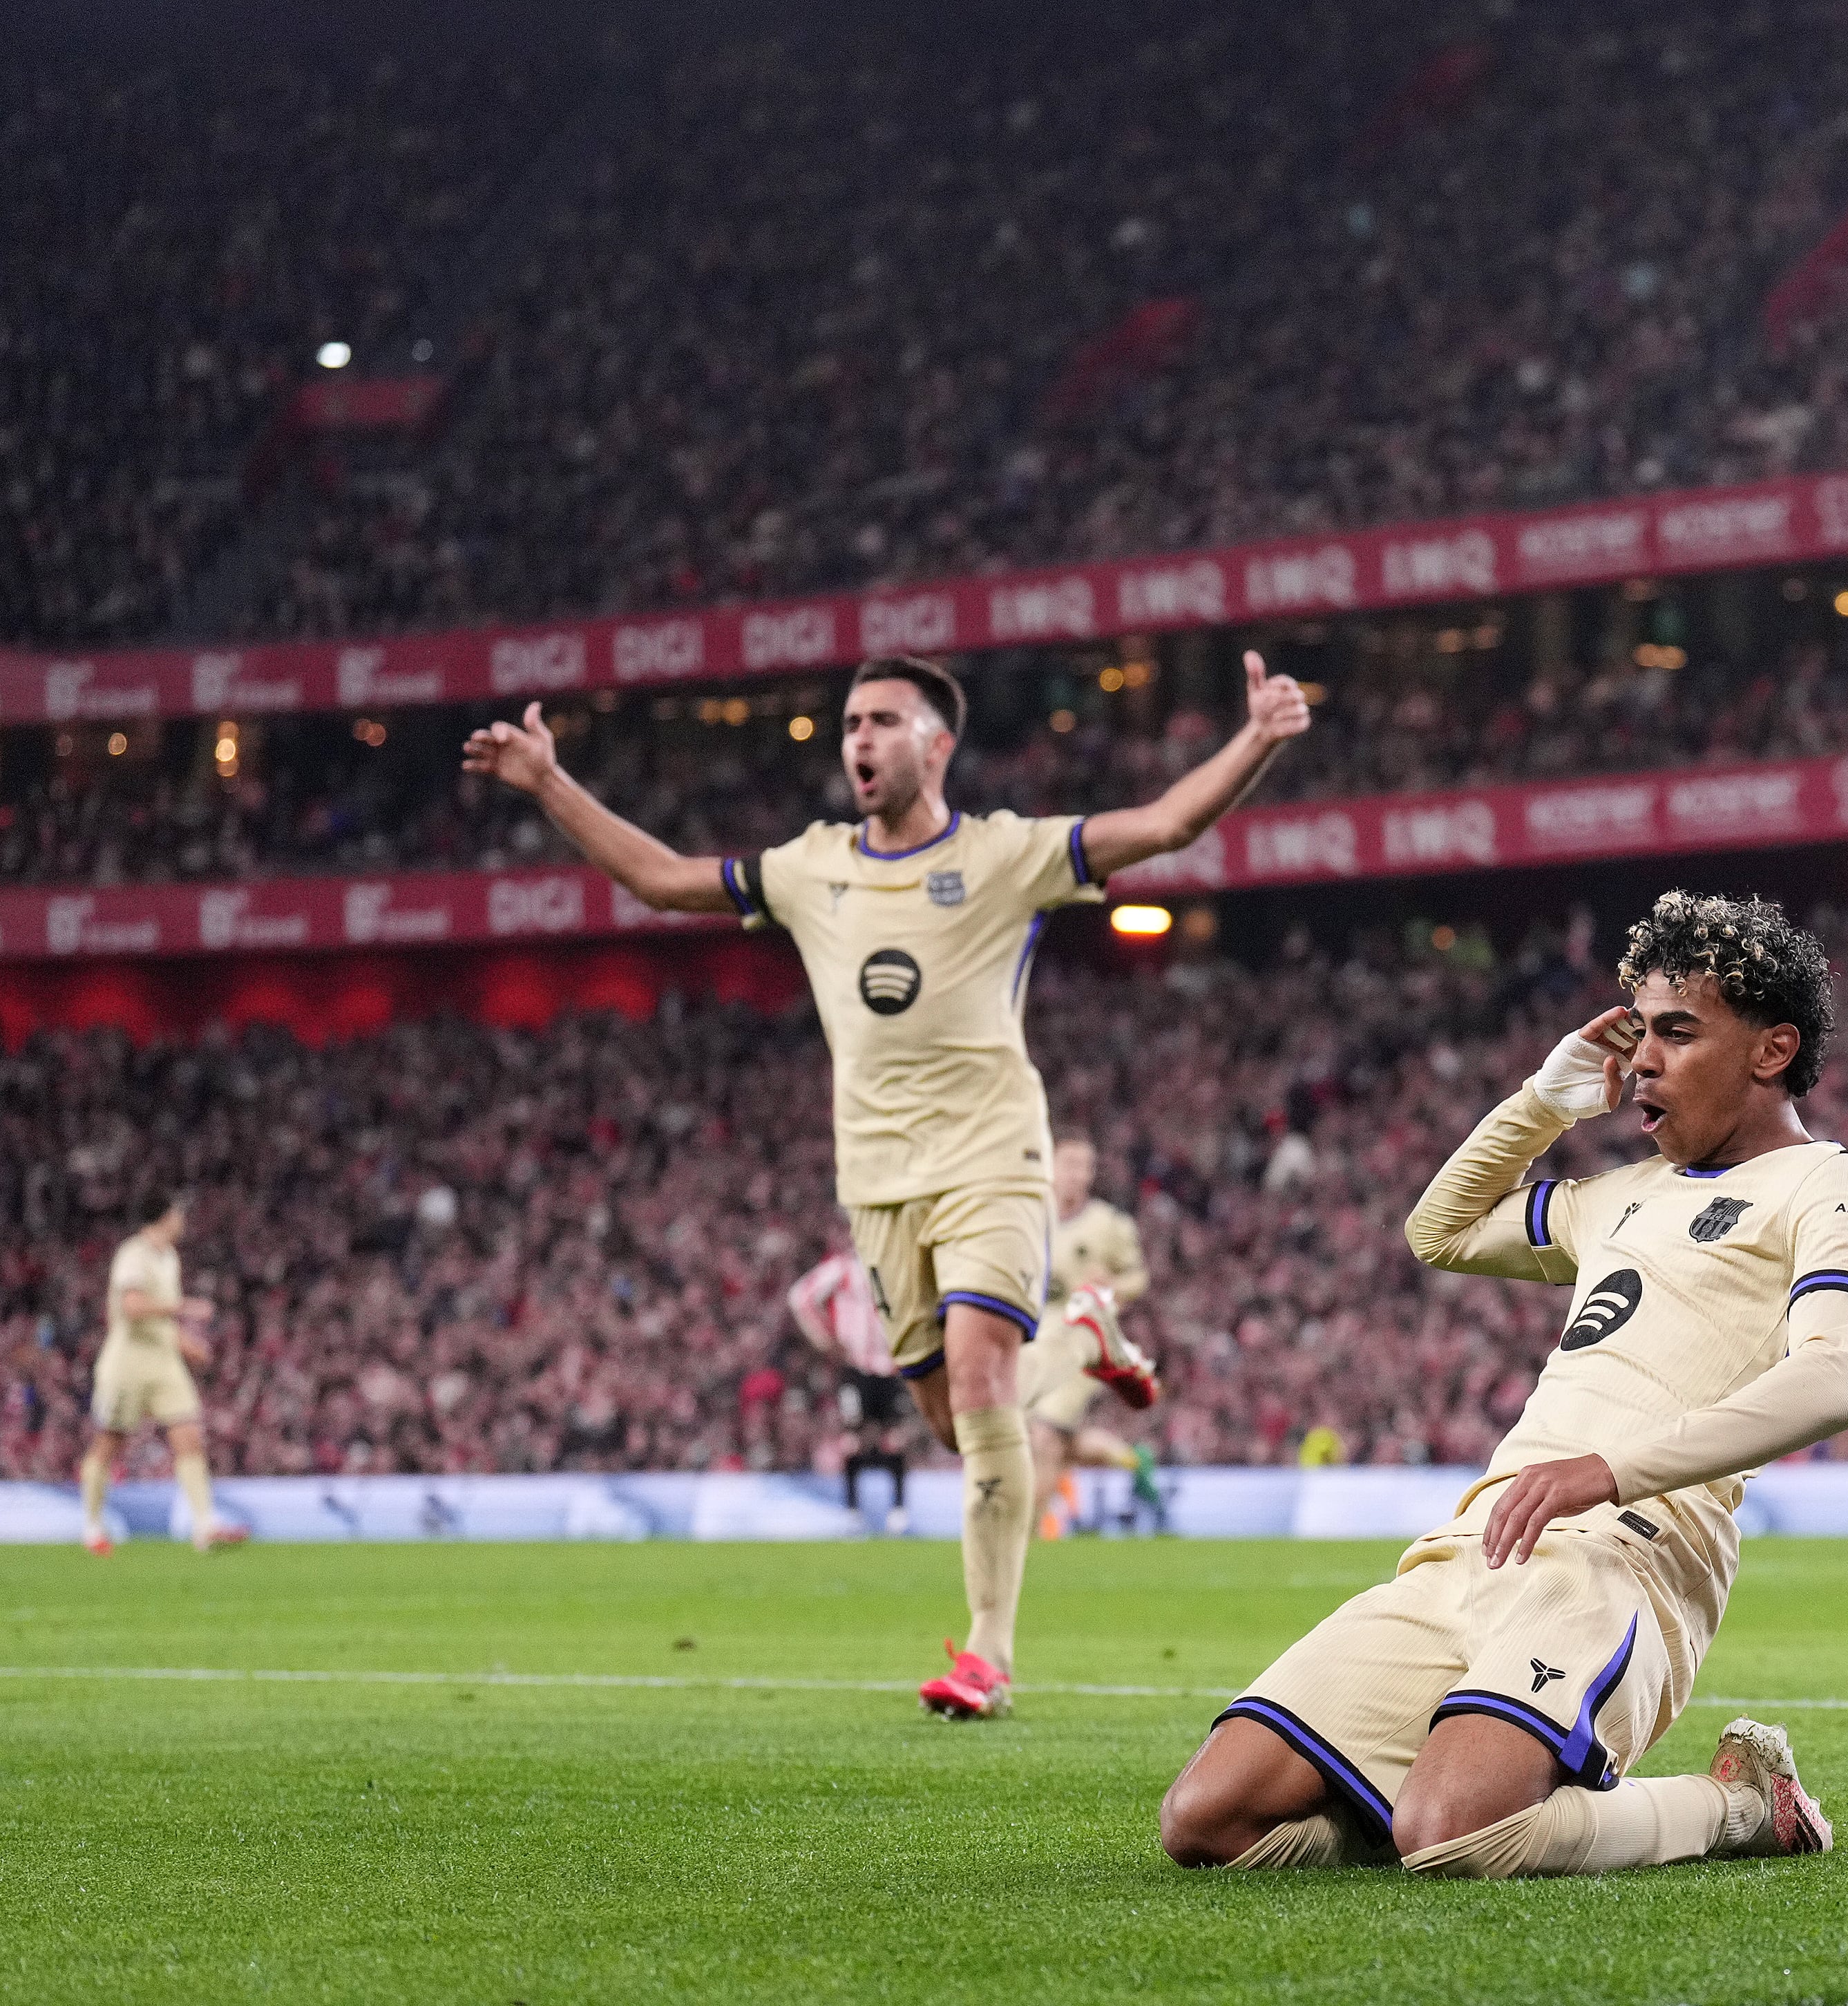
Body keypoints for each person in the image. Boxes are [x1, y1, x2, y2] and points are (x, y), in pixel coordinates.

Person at [464, 646, 1309, 1718]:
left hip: (995, 1158)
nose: (857, 740)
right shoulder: (811, 868)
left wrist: (1255, 738)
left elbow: (1165, 824)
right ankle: (1078, 1337)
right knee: (956, 1426)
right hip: (875, 1180)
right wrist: (547, 780)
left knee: (979, 1382)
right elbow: (661, 880)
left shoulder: (1009, 855)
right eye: (850, 723)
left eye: (880, 722)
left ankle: (988, 1655)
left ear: (936, 743)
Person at [1158, 891, 1848, 1878]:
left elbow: (1835, 1380)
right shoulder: (1617, 1197)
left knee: (1453, 1838)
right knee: (1206, 1822)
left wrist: (1612, 1471)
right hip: (1472, 1549)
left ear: (1771, 1051)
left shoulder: (1835, 1185)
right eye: (1640, 1036)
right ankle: (1430, 1802)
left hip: (1624, 1562)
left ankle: (1736, 1805)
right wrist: (1541, 1103)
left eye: (1678, 1034)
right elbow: (1441, 1231)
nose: (1642, 1061)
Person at [79, 1193, 245, 1554]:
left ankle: (205, 1526)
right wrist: (185, 1308)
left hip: (163, 1360)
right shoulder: (133, 1254)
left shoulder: (169, 1258)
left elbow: (158, 1321)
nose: (183, 1219)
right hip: (127, 1363)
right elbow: (132, 1307)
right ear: (165, 1216)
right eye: (178, 1212)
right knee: (110, 1443)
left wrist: (184, 1342)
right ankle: (92, 1527)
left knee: (188, 1434)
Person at [1019, 1133, 1164, 1535]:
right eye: (1068, 1165)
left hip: (1084, 1337)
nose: (1076, 1175)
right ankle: (1132, 1459)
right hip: (1032, 1338)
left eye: (1084, 1167)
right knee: (1051, 1441)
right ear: (1050, 1166)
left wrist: (1113, 1287)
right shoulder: (1030, 1219)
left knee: (1045, 1435)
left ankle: (1027, 1538)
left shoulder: (1108, 1224)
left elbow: (1139, 1278)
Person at [788, 1242, 911, 1533]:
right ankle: (853, 1510)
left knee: (894, 1439)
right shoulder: (843, 1268)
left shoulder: (898, 1269)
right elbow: (801, 1297)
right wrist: (824, 1336)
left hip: (892, 1367)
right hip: (856, 1367)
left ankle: (898, 1510)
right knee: (854, 1439)